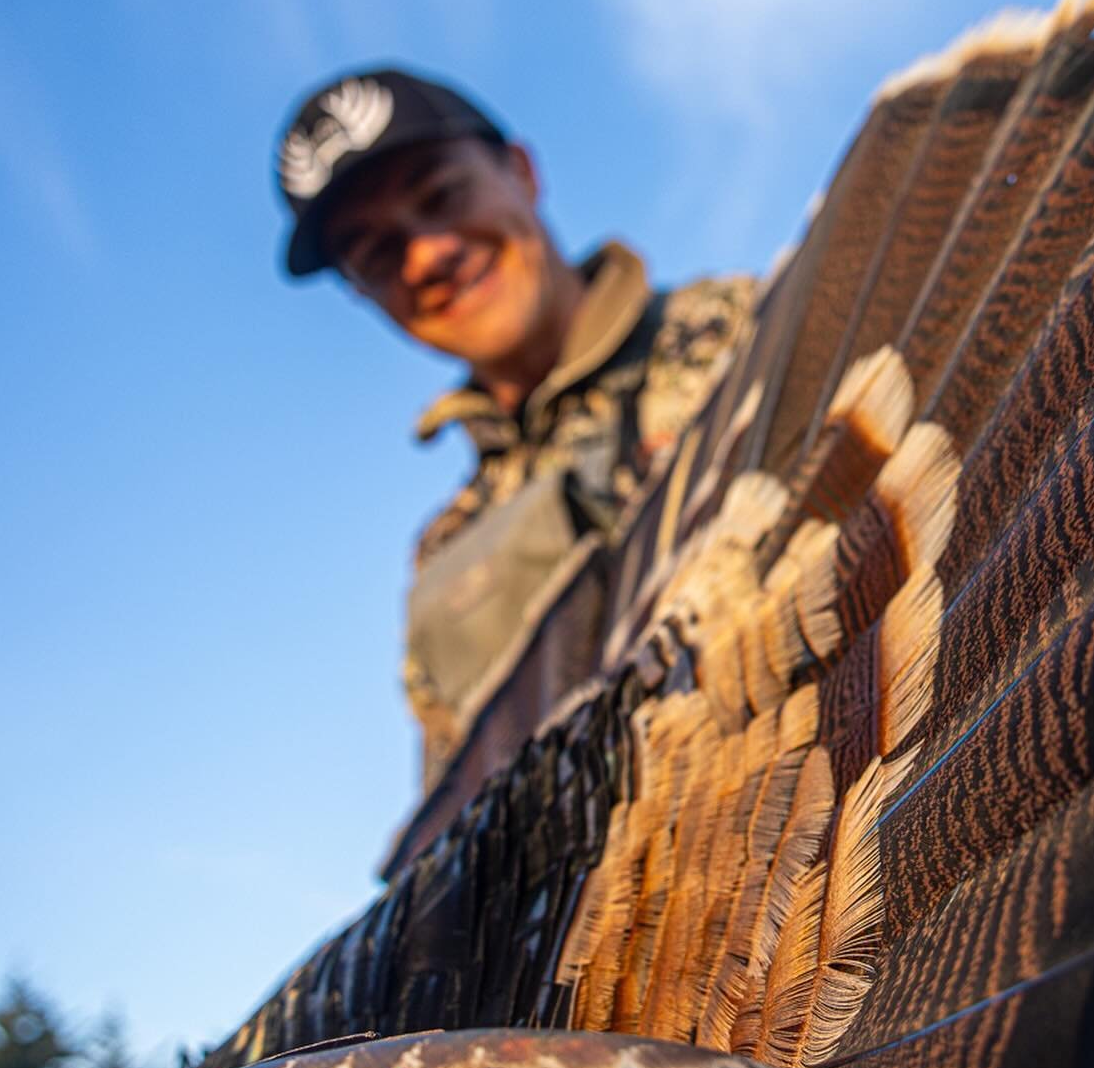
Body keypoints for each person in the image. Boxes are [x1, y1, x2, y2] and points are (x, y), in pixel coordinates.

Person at [275, 67, 753, 790]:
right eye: (378, 253)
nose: (428, 254)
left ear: (523, 172)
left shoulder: (751, 330)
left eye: (442, 196)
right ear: (362, 296)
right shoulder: (445, 558)